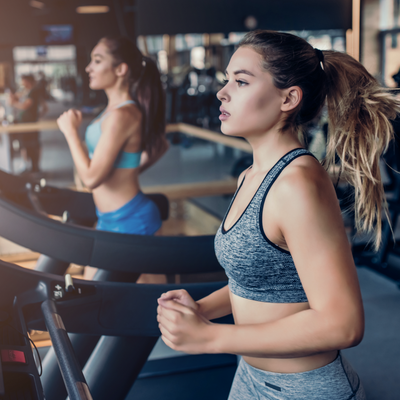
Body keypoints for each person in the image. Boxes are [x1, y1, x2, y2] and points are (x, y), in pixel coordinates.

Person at [157, 30, 400, 399]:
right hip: (251, 377)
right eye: (227, 80)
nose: (222, 92)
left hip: (305, 390)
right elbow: (261, 283)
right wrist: (202, 308)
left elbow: (344, 324)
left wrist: (212, 337)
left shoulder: (297, 184)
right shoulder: (250, 176)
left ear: (288, 98)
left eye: (240, 81)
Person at [57, 36, 168, 282]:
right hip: (107, 219)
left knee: (150, 310)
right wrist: (127, 173)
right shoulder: (110, 112)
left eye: (97, 61)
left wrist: (70, 132)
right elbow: (159, 147)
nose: (89, 68)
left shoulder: (124, 114)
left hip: (133, 223)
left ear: (120, 69)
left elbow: (91, 179)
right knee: (92, 297)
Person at [9, 74, 48, 173]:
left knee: (33, 144)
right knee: (25, 145)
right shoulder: (26, 91)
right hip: (24, 122)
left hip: (29, 123)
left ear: (28, 81)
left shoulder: (33, 92)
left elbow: (25, 105)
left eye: (23, 81)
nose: (22, 84)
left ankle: (35, 167)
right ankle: (28, 166)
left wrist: (14, 103)